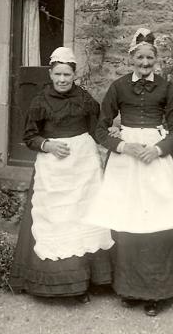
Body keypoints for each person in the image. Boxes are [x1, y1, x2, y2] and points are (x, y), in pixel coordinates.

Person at [84, 28, 173, 316]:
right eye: (140, 58)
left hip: (155, 160)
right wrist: (123, 146)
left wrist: (159, 149)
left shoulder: (167, 88)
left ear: (156, 59)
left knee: (158, 221)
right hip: (126, 162)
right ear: (131, 59)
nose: (145, 63)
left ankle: (157, 292)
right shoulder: (119, 87)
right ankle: (129, 287)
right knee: (127, 221)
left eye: (150, 58)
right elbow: (100, 129)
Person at [9, 47, 114, 303]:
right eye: (58, 74)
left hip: (83, 165)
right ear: (50, 73)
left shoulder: (85, 99)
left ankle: (88, 280)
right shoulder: (40, 101)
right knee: (58, 219)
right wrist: (48, 144)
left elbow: (97, 127)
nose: (62, 80)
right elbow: (30, 136)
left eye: (67, 74)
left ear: (74, 74)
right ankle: (59, 283)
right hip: (54, 166)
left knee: (84, 217)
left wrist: (116, 135)